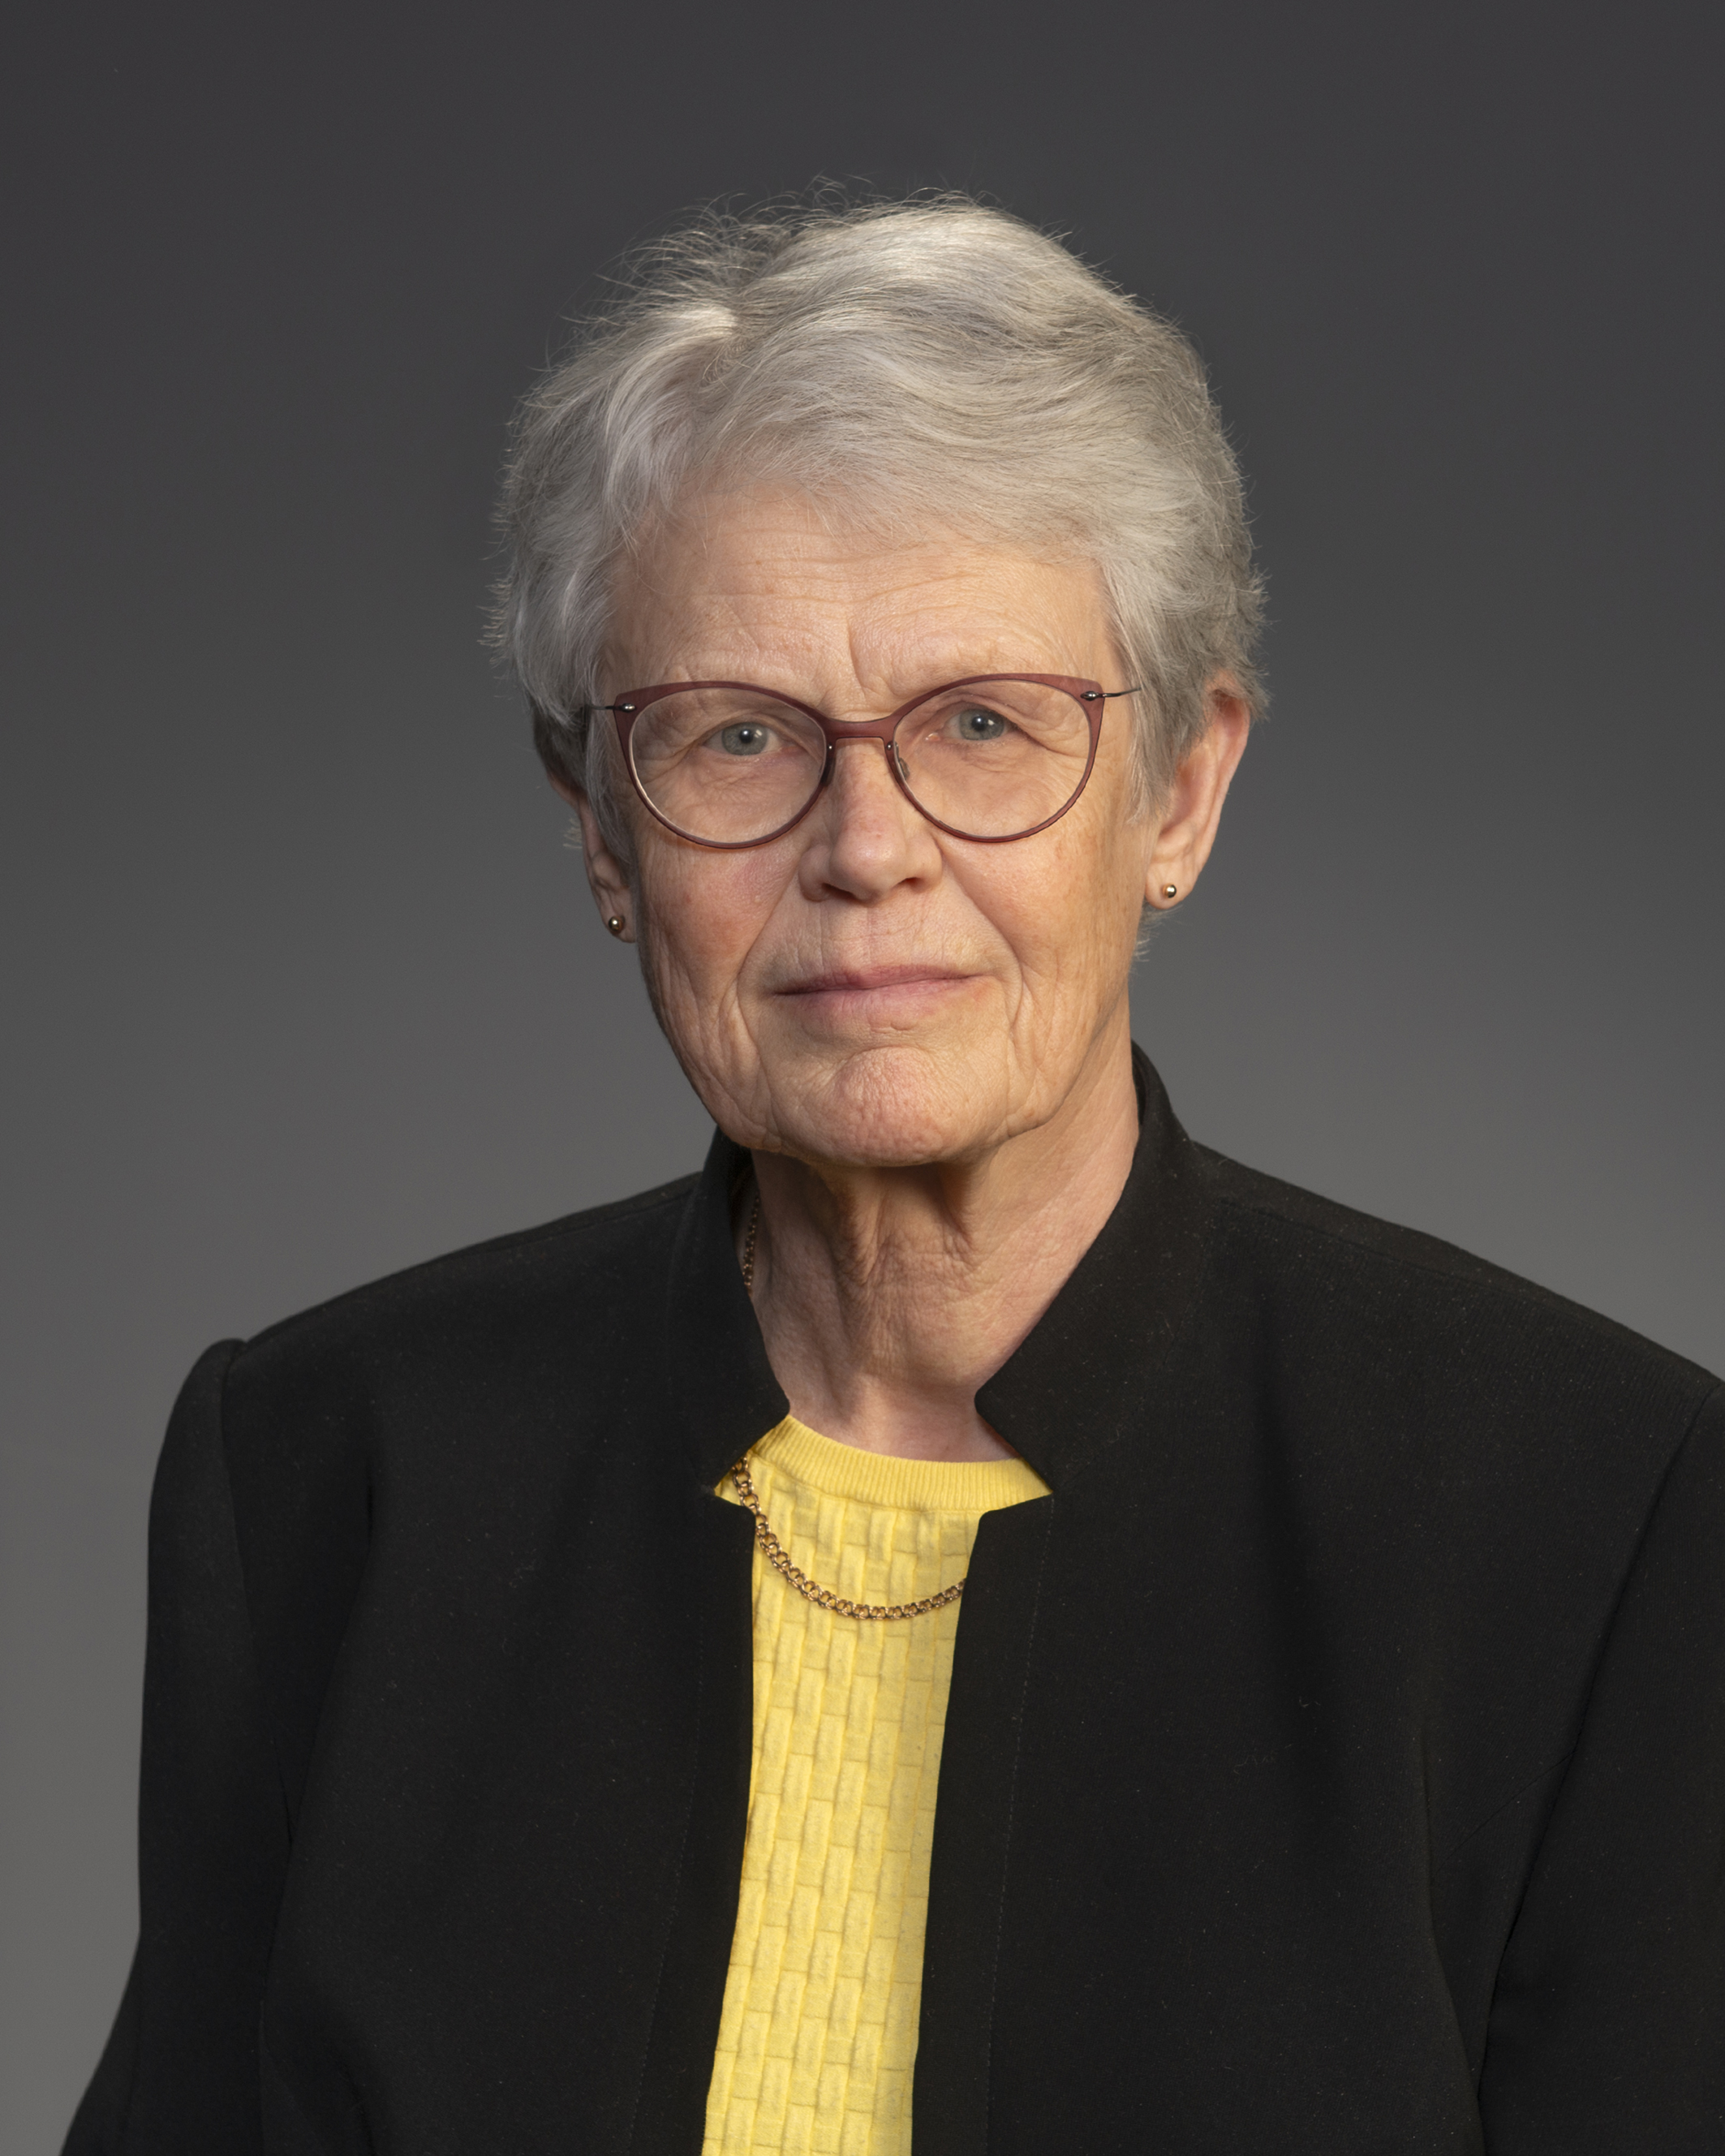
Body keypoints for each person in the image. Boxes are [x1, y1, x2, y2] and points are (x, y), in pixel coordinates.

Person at [66, 197, 1723, 2156]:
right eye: (736, 735)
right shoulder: (329, 1473)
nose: (867, 847)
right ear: (601, 833)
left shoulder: (1602, 1519)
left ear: (1180, 790)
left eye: (984, 724)